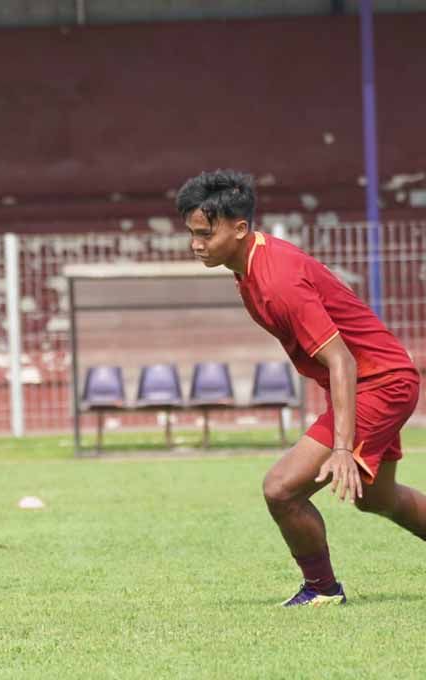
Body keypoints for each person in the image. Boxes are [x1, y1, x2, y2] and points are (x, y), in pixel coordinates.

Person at [177, 169, 426, 607]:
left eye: (205, 233)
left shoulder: (277, 280)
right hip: (373, 379)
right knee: (377, 499)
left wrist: (343, 448)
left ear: (240, 228)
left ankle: (322, 590)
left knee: (281, 489)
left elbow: (342, 360)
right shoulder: (250, 264)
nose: (196, 243)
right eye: (192, 233)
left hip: (377, 383)